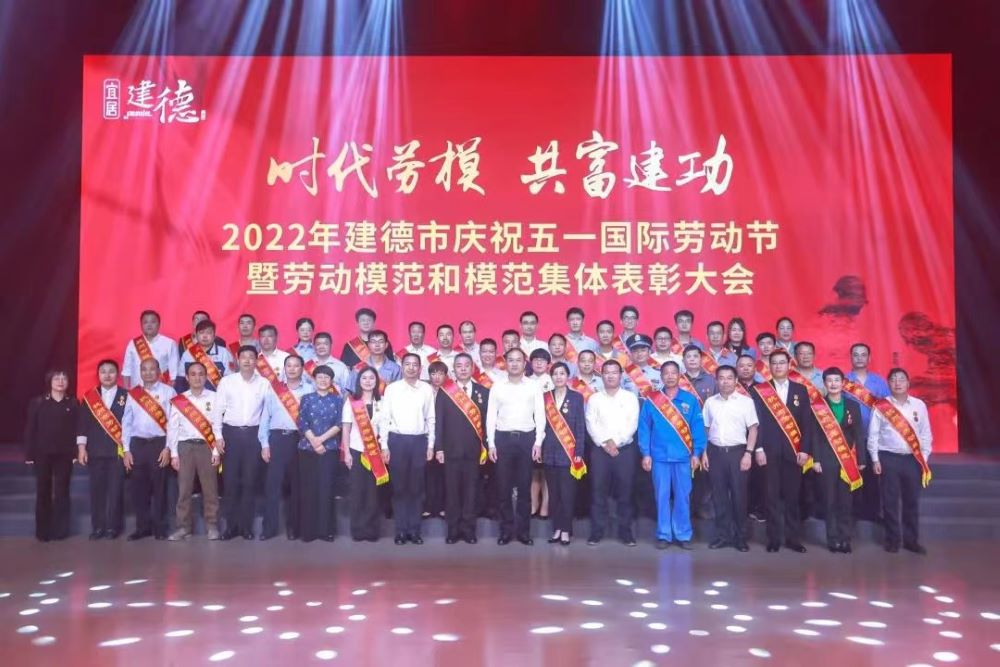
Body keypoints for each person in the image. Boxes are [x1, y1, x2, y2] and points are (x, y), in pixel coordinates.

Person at [749, 349, 815, 553]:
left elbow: (807, 423)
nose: (778, 366)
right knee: (771, 497)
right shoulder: (759, 390)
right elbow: (755, 422)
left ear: (789, 365)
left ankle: (793, 539)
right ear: (769, 366)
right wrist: (758, 448)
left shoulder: (800, 390)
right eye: (774, 363)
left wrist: (805, 450)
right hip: (768, 452)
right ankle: (773, 539)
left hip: (794, 452)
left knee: (792, 497)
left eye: (782, 362)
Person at [639, 361, 707, 549]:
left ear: (679, 375)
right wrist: (646, 453)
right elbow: (644, 428)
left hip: (683, 458)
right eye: (666, 373)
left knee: (683, 496)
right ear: (661, 377)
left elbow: (697, 428)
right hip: (659, 457)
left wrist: (697, 453)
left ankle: (683, 534)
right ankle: (664, 534)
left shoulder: (690, 400)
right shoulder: (652, 400)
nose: (670, 376)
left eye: (673, 373)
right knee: (661, 497)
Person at [867, 368, 933, 554]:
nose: (897, 383)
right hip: (888, 458)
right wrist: (875, 459)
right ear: (888, 384)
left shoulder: (919, 405)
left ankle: (911, 541)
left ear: (908, 383)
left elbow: (925, 434)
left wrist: (923, 459)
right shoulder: (881, 406)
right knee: (890, 502)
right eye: (893, 380)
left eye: (901, 379)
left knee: (911, 501)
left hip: (912, 459)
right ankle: (892, 540)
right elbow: (873, 435)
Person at [487, 348, 546, 546]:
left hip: (526, 440)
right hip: (503, 439)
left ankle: (523, 532)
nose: (514, 364)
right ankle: (505, 531)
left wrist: (538, 442)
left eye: (518, 360)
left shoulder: (533, 386)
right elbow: (491, 416)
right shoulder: (498, 386)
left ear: (524, 363)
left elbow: (540, 415)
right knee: (503, 488)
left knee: (524, 488)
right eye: (510, 360)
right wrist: (491, 443)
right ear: (505, 363)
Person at [701, 365, 759, 551]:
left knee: (739, 496)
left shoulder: (746, 402)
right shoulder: (710, 402)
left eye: (729, 378)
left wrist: (748, 453)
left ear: (736, 381)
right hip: (715, 453)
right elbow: (705, 428)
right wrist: (704, 453)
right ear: (716, 381)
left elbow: (753, 429)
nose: (725, 381)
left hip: (738, 453)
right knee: (718, 497)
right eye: (721, 378)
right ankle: (722, 535)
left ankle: (740, 537)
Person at [215, 345, 270, 540]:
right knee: (230, 482)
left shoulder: (264, 383)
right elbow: (217, 411)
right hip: (230, 435)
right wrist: (218, 436)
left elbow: (267, 414)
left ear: (257, 361)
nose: (247, 360)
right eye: (243, 357)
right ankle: (230, 527)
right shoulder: (227, 382)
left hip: (253, 435)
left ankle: (246, 527)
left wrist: (264, 442)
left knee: (249, 482)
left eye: (251, 357)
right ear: (237, 360)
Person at [380, 353, 436, 544]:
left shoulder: (426, 389)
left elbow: (431, 418)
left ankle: (414, 530)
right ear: (401, 367)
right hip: (397, 441)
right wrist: (384, 446)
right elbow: (384, 418)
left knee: (417, 488)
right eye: (407, 364)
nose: (411, 368)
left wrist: (430, 444)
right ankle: (401, 531)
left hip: (419, 441)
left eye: (415, 365)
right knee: (399, 488)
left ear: (420, 368)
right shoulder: (392, 389)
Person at [435, 353, 490, 544]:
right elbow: (439, 422)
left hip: (474, 452)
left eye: (467, 365)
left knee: (471, 492)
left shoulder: (483, 391)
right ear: (454, 369)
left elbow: (487, 423)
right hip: (450, 451)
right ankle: (453, 530)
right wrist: (439, 448)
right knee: (452, 493)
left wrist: (486, 447)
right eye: (459, 365)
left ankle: (468, 530)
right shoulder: (445, 391)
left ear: (473, 367)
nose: (463, 368)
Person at [585, 359, 641, 546]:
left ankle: (626, 532)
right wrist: (605, 442)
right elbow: (590, 423)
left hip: (624, 451)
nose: (610, 376)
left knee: (626, 492)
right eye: (606, 373)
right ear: (601, 375)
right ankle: (596, 532)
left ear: (621, 375)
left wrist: (616, 442)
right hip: (600, 451)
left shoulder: (630, 398)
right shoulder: (594, 398)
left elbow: (632, 423)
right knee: (597, 492)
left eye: (614, 372)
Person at [258, 355, 313, 540]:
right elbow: (265, 418)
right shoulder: (274, 389)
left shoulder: (310, 389)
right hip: (277, 439)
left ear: (302, 369)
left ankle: (293, 528)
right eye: (288, 365)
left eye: (296, 366)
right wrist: (265, 444)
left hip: (300, 440)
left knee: (296, 486)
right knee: (272, 486)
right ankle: (268, 529)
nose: (292, 369)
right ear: (284, 368)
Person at [121, 358, 176, 540]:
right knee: (139, 488)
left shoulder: (169, 391)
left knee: (160, 488)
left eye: (152, 369)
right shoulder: (133, 393)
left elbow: (173, 422)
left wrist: (168, 448)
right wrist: (126, 450)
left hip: (159, 444)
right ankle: (142, 527)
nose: (148, 372)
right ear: (140, 372)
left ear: (159, 371)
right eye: (144, 369)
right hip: (138, 444)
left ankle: (160, 527)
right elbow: (126, 422)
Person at [167, 362, 223, 541]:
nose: (197, 378)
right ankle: (183, 527)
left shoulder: (215, 397)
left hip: (207, 446)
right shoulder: (179, 400)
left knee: (210, 489)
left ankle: (212, 526)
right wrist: (174, 454)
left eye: (201, 374)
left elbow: (217, 425)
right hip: (185, 447)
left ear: (206, 377)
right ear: (187, 377)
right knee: (184, 490)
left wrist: (216, 452)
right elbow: (173, 428)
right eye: (193, 374)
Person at [813, 367, 866, 553]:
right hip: (826, 458)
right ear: (824, 384)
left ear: (843, 383)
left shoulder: (853, 406)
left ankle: (845, 539)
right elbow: (815, 435)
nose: (833, 384)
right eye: (829, 381)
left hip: (847, 459)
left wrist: (861, 459)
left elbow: (859, 433)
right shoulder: (818, 406)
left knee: (845, 501)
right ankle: (832, 539)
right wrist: (816, 460)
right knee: (829, 501)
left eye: (837, 380)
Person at [24, 369, 78, 542]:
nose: (60, 381)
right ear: (50, 381)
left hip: (65, 454)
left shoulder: (73, 403)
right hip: (42, 454)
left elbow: (77, 429)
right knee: (43, 491)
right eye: (57, 378)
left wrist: (76, 452)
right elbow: (31, 429)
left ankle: (60, 530)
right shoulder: (38, 402)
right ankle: (43, 531)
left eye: (64, 378)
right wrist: (29, 453)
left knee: (62, 491)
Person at [77, 359, 128, 540]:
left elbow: (131, 425)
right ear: (98, 375)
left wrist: (127, 450)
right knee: (97, 491)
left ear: (117, 374)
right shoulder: (90, 397)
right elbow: (82, 425)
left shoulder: (126, 396)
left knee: (115, 491)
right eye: (103, 372)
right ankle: (98, 527)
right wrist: (82, 449)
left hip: (117, 451)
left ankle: (113, 527)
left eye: (111, 371)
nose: (107, 375)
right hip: (95, 450)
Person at [296, 365, 344, 542]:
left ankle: (326, 531)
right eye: (320, 377)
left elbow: (339, 423)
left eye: (327, 377)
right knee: (308, 489)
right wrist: (313, 441)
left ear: (331, 381)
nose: (323, 380)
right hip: (307, 449)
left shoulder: (338, 400)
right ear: (314, 380)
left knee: (326, 489)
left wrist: (321, 440)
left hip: (329, 449)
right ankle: (308, 531)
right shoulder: (306, 398)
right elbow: (302, 421)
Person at [540, 362, 586, 545]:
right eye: (555, 374)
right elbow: (541, 425)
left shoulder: (576, 397)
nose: (558, 377)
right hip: (549, 452)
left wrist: (579, 452)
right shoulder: (545, 397)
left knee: (567, 494)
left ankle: (566, 529)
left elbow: (580, 426)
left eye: (562, 373)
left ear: (568, 376)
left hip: (569, 452)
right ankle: (557, 528)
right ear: (551, 377)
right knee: (554, 494)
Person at [845, 342, 891, 521]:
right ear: (851, 358)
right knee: (851, 474)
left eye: (863, 355)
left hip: (874, 437)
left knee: (873, 476)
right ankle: (853, 511)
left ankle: (873, 512)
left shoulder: (879, 382)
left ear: (869, 358)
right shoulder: (844, 381)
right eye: (856, 355)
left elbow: (888, 410)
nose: (859, 358)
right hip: (850, 437)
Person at [341, 366, 388, 542]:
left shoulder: (382, 402)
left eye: (371, 378)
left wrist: (385, 448)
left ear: (377, 381)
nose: (368, 381)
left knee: (373, 493)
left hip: (376, 452)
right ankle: (358, 530)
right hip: (356, 450)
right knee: (357, 491)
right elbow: (346, 429)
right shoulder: (351, 402)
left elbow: (385, 427)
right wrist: (346, 453)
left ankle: (372, 530)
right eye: (364, 378)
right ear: (359, 381)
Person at [122, 309, 178, 388]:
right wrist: (126, 391)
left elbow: (174, 373)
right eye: (145, 322)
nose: (149, 325)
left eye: (153, 322)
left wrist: (169, 391)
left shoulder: (169, 343)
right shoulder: (133, 344)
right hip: (137, 391)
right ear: (141, 325)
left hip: (161, 391)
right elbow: (126, 371)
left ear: (159, 324)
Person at [423, 361, 449, 519]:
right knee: (426, 473)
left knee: (443, 474)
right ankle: (427, 506)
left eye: (440, 374)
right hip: (425, 437)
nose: (437, 377)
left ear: (446, 375)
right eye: (433, 374)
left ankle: (442, 506)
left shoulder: (451, 392)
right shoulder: (423, 390)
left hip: (445, 437)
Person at [175, 319, 231, 393]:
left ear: (214, 335)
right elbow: (181, 380)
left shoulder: (224, 353)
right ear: (196, 335)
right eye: (201, 333)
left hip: (218, 396)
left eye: (208, 333)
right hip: (193, 397)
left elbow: (230, 379)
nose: (204, 336)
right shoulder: (188, 354)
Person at [621, 333, 662, 397]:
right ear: (630, 354)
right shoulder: (623, 374)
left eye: (643, 350)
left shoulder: (659, 374)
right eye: (635, 351)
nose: (639, 354)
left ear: (649, 352)